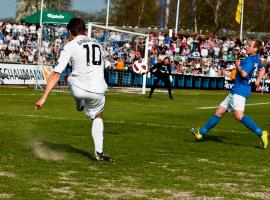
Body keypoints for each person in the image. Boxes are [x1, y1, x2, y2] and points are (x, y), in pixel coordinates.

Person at [35, 18, 114, 162]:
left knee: (69, 78)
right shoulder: (98, 44)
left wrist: (44, 97)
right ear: (84, 31)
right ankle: (99, 152)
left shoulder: (70, 45)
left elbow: (57, 73)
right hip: (98, 90)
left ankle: (79, 103)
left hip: (78, 88)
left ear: (70, 32)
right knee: (97, 116)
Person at [191, 40, 268, 149]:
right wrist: (257, 81)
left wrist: (237, 65)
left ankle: (261, 133)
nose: (247, 46)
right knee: (219, 111)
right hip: (237, 89)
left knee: (238, 115)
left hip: (240, 90)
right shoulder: (256, 59)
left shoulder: (251, 60)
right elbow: (263, 69)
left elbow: (244, 74)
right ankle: (201, 133)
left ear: (255, 49)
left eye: (249, 45)